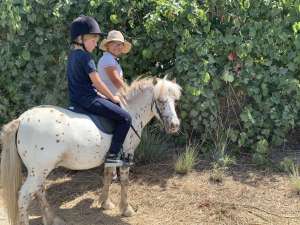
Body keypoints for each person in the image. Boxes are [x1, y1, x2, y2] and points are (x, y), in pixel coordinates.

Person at [67, 16, 132, 164]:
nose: (96, 44)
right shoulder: (86, 57)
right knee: (125, 118)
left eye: (96, 41)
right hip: (89, 100)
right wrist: (112, 98)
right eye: (93, 40)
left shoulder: (72, 56)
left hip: (75, 100)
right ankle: (113, 155)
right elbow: (97, 82)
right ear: (81, 38)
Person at [97, 30, 132, 95]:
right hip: (109, 99)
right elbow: (116, 80)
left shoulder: (111, 59)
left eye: (119, 44)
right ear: (107, 46)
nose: (117, 47)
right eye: (113, 44)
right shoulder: (108, 58)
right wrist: (130, 94)